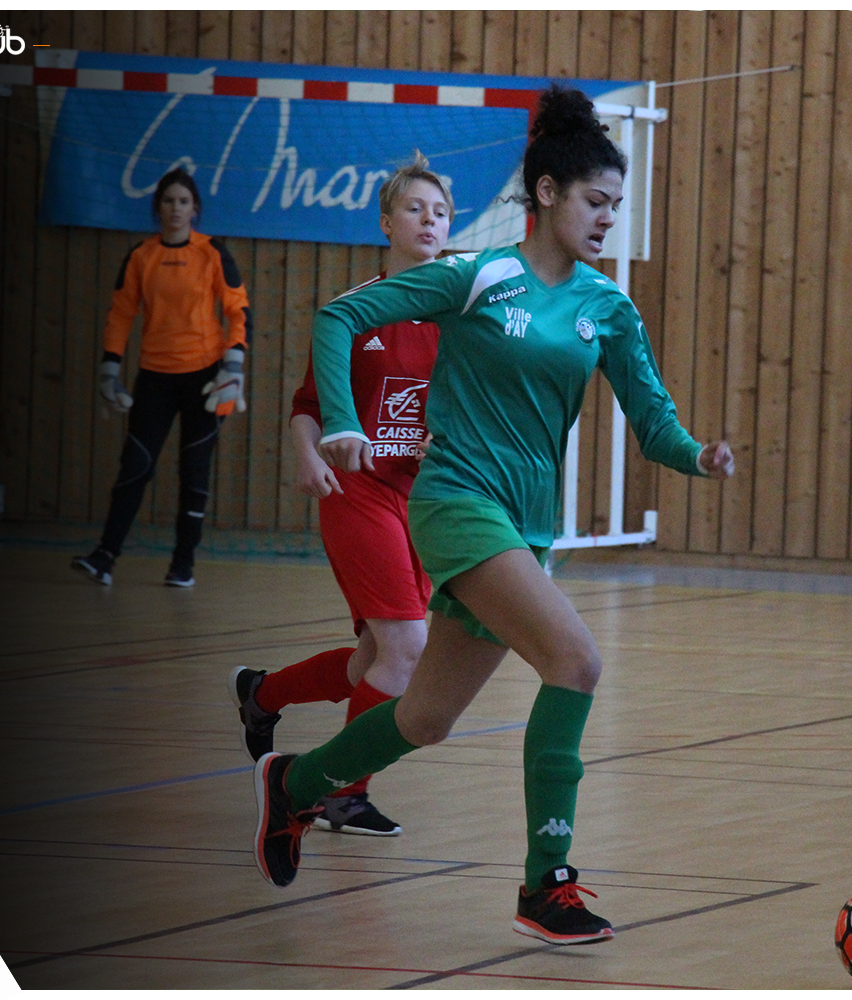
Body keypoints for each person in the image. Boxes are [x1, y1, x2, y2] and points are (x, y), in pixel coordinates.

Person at [250, 85, 734, 946]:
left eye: (616, 205)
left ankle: (294, 785)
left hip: (525, 526)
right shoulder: (477, 276)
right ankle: (547, 885)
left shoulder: (606, 307)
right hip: (457, 502)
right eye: (595, 200)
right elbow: (338, 317)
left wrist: (697, 455)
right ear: (547, 192)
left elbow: (653, 421)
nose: (607, 218)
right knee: (576, 662)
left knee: (424, 719)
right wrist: (342, 422)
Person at [229, 152, 451, 838]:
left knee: (373, 662)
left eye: (441, 211)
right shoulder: (353, 312)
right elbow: (308, 406)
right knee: (407, 648)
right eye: (414, 208)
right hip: (357, 492)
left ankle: (262, 693)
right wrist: (307, 455)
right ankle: (340, 793)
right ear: (386, 221)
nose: (429, 220)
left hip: (423, 502)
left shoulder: (459, 315)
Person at [71, 168, 251, 589]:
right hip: (154, 377)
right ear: (157, 208)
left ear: (195, 209)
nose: (175, 208)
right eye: (168, 201)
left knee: (194, 472)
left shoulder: (212, 252)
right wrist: (110, 369)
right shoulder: (141, 256)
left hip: (206, 380)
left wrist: (233, 367)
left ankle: (182, 566)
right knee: (135, 466)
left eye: (183, 201)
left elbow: (238, 309)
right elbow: (120, 313)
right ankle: (104, 557)